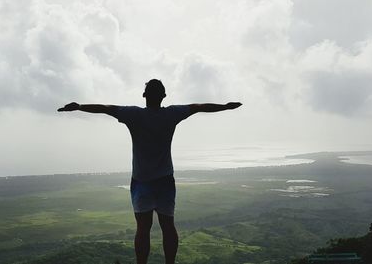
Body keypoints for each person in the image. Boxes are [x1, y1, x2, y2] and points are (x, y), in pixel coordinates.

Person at [58, 79, 242, 264]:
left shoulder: (133, 114)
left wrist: (79, 106)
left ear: (144, 95)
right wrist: (225, 107)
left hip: (141, 181)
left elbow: (106, 108)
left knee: (143, 229)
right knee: (168, 226)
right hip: (165, 181)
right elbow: (199, 107)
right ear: (163, 96)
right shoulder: (171, 114)